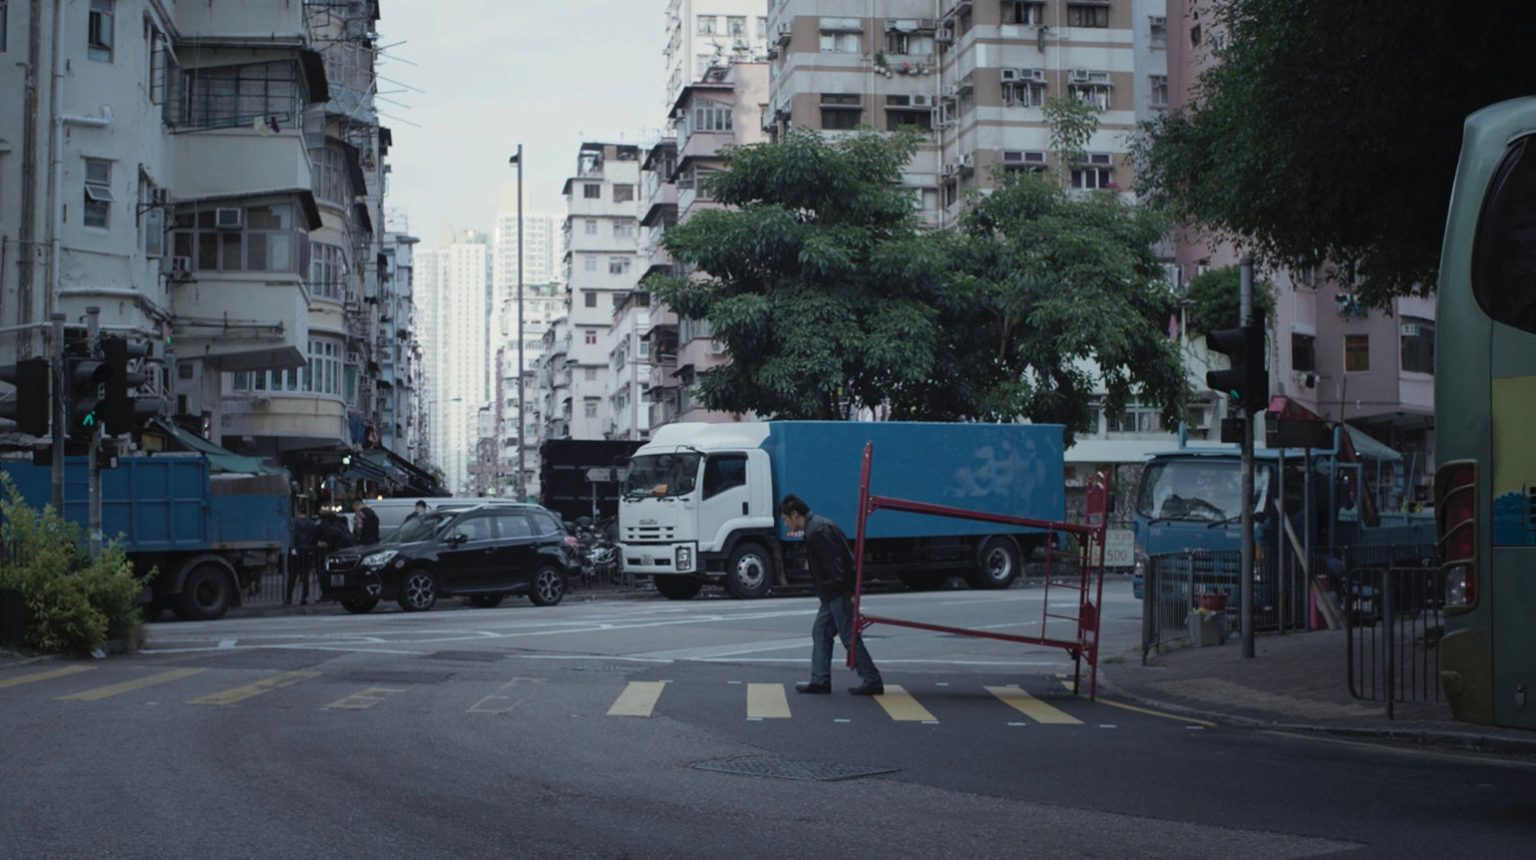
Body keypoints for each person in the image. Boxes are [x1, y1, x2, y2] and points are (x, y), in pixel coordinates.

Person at [779, 494, 884, 696]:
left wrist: (846, 592)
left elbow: (835, 566)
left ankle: (871, 679)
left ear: (794, 514)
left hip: (837, 593)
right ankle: (820, 680)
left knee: (847, 636)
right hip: (832, 594)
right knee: (821, 632)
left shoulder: (816, 531)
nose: (786, 525)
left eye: (786, 520)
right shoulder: (817, 527)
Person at [286, 513, 318, 606]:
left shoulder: (293, 524)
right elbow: (314, 537)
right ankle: (304, 597)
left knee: (292, 576)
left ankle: (289, 597)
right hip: (307, 552)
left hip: (295, 552)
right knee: (305, 577)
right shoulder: (311, 524)